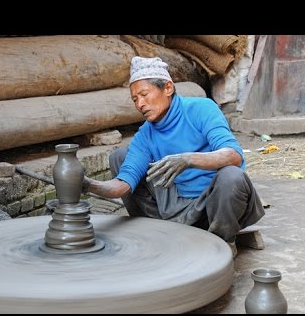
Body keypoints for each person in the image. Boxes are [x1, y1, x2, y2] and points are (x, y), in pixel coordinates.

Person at [83, 56, 265, 257]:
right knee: (119, 157)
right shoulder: (146, 134)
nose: (140, 104)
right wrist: (88, 184)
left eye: (144, 94)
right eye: (135, 99)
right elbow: (124, 184)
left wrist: (188, 159)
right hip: (176, 207)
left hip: (216, 205)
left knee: (232, 176)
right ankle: (157, 230)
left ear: (167, 88)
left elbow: (233, 155)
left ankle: (223, 244)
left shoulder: (201, 109)